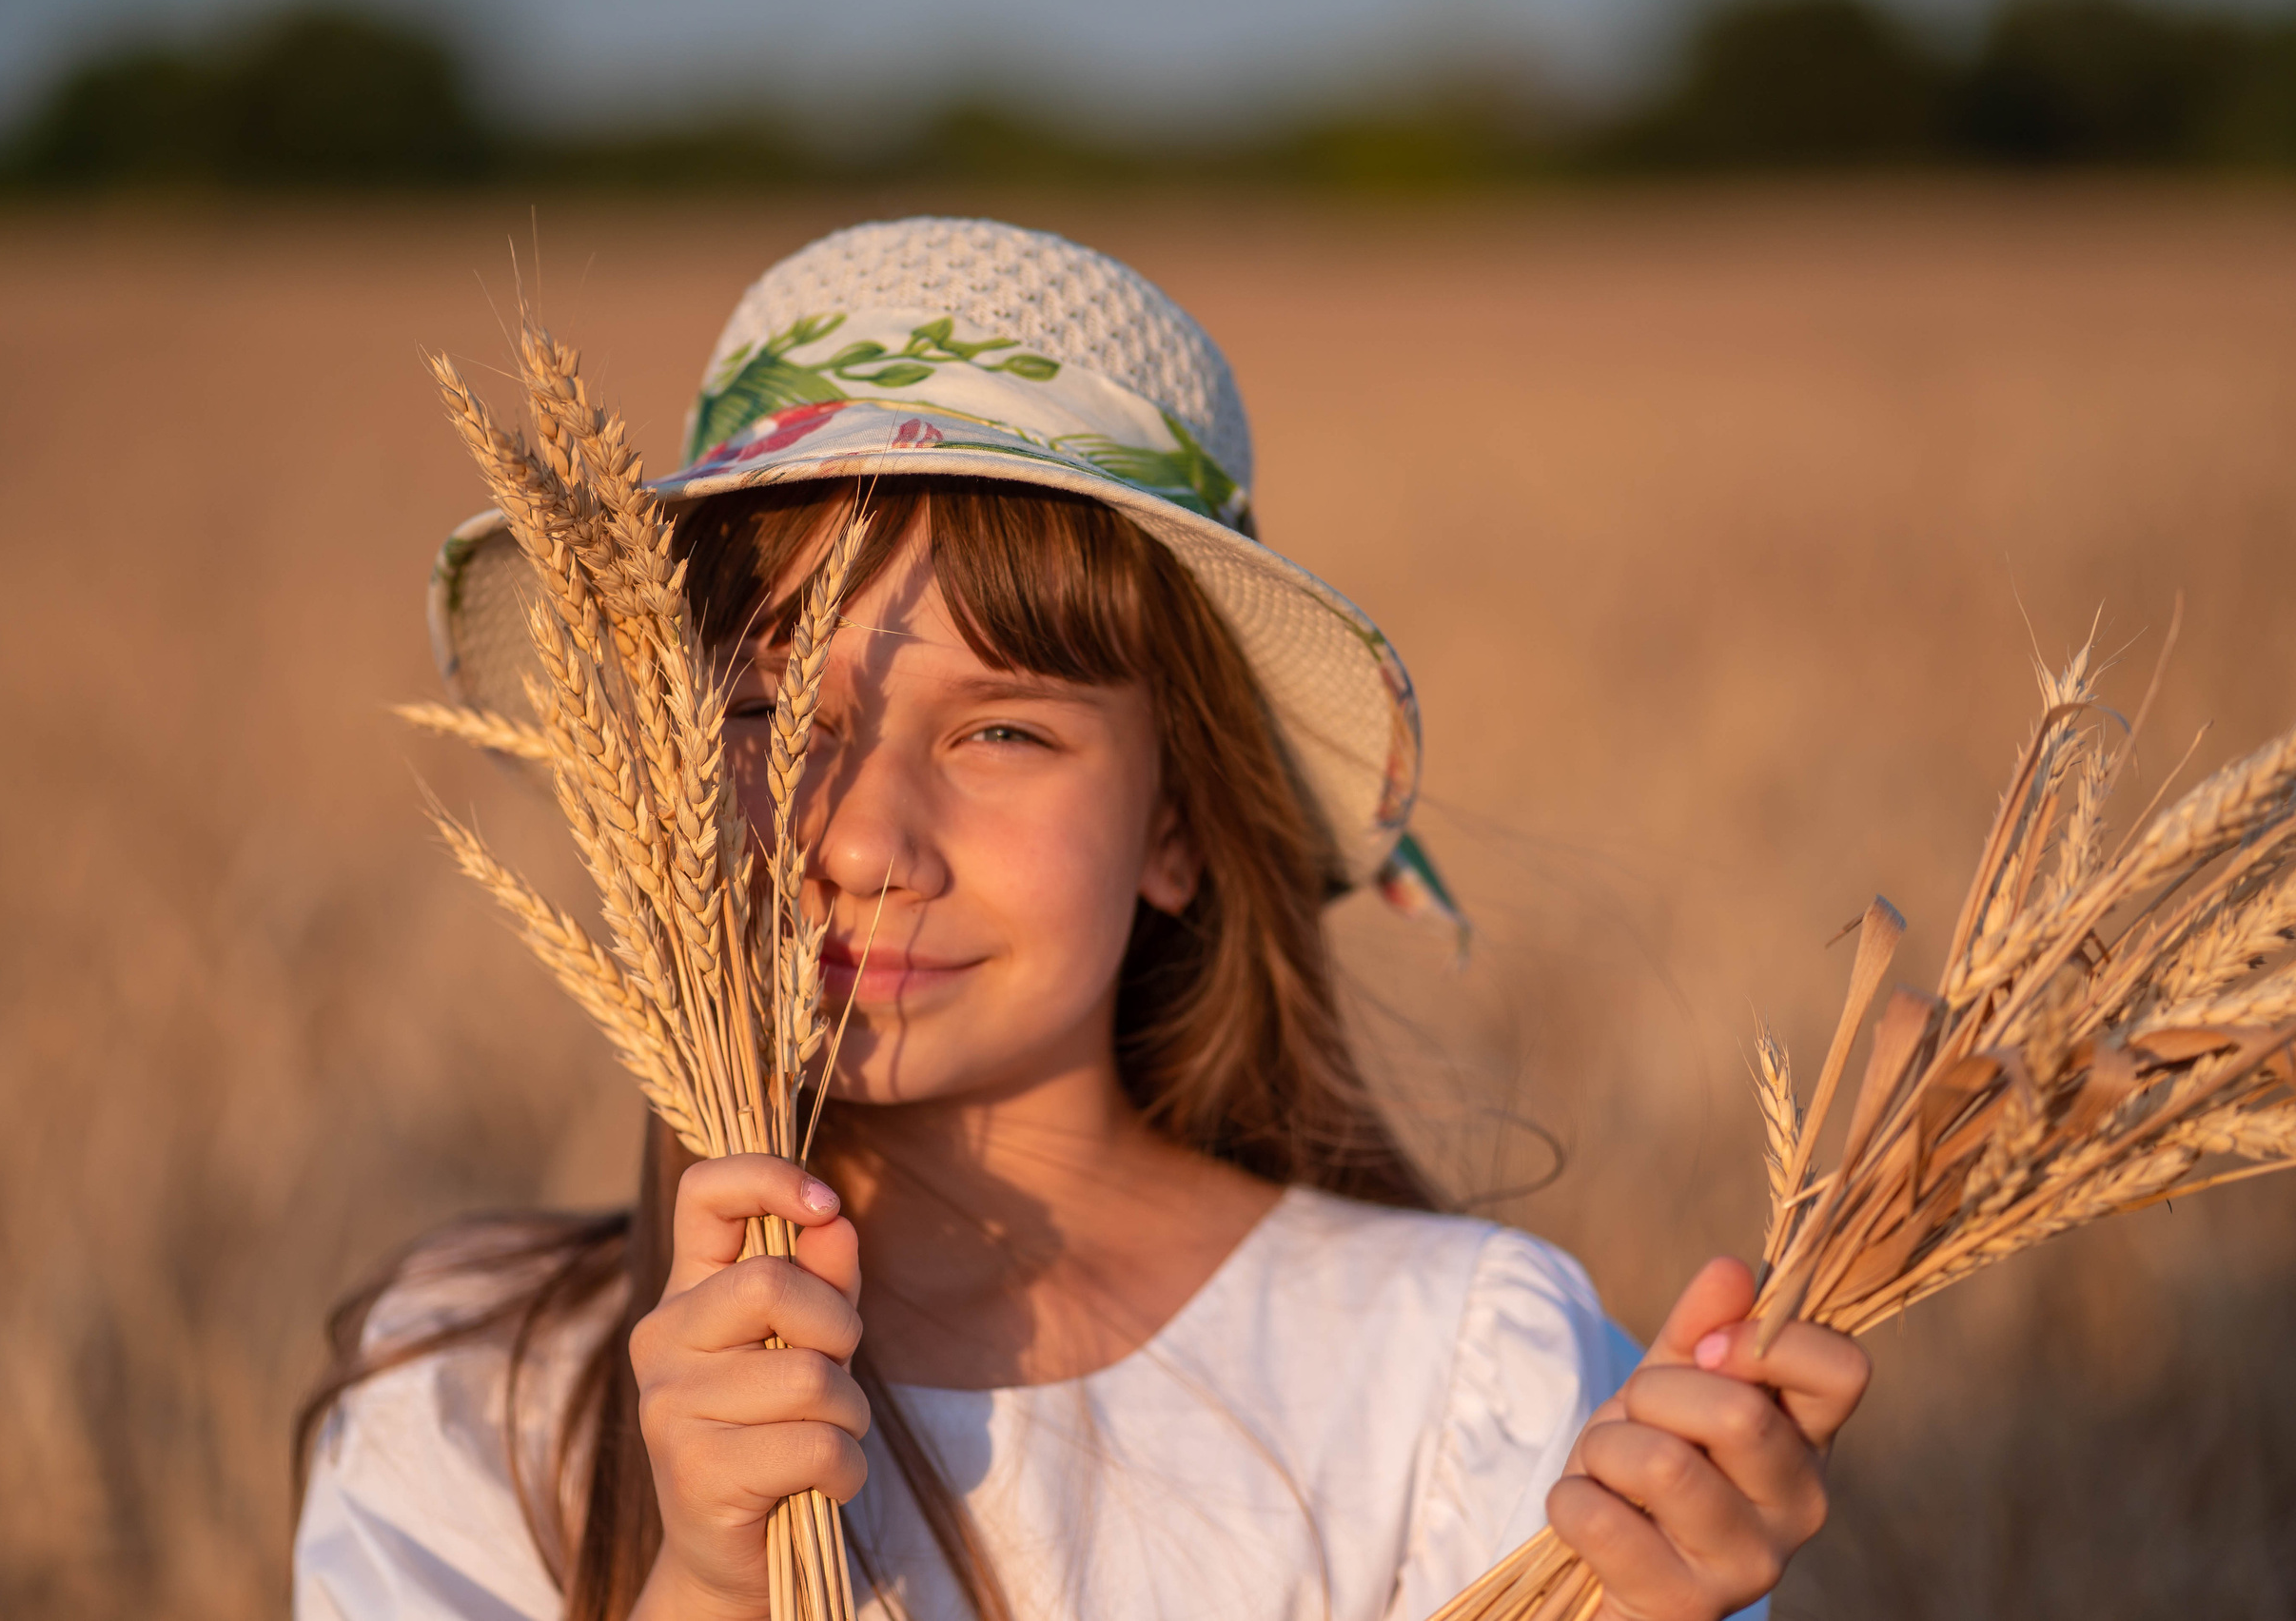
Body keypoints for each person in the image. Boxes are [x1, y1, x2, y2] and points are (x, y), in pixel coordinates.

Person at [294, 218, 1869, 1621]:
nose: (863, 840)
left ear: (1175, 827)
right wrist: (705, 1587)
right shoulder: (485, 1396)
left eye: (1003, 734)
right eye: (772, 713)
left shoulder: (1447, 1378)